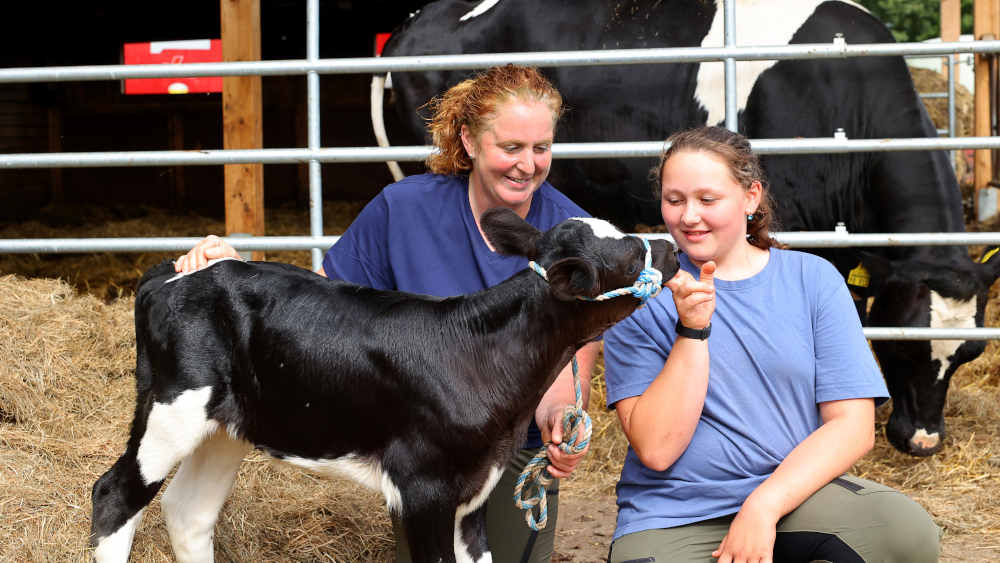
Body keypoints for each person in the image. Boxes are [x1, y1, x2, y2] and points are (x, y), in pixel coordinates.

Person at [174, 64, 598, 562]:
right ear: (468, 140)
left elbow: (573, 352)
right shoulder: (403, 209)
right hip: (418, 444)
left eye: (541, 149)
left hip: (512, 443)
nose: (527, 166)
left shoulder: (573, 235)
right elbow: (328, 309)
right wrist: (238, 281)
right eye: (511, 148)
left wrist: (561, 418)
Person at [603, 126, 940, 563]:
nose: (688, 216)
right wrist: (692, 330)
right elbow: (657, 449)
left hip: (794, 496)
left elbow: (852, 427)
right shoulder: (640, 297)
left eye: (707, 200)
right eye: (674, 200)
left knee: (906, 534)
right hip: (675, 513)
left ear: (750, 197)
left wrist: (763, 506)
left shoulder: (812, 279)